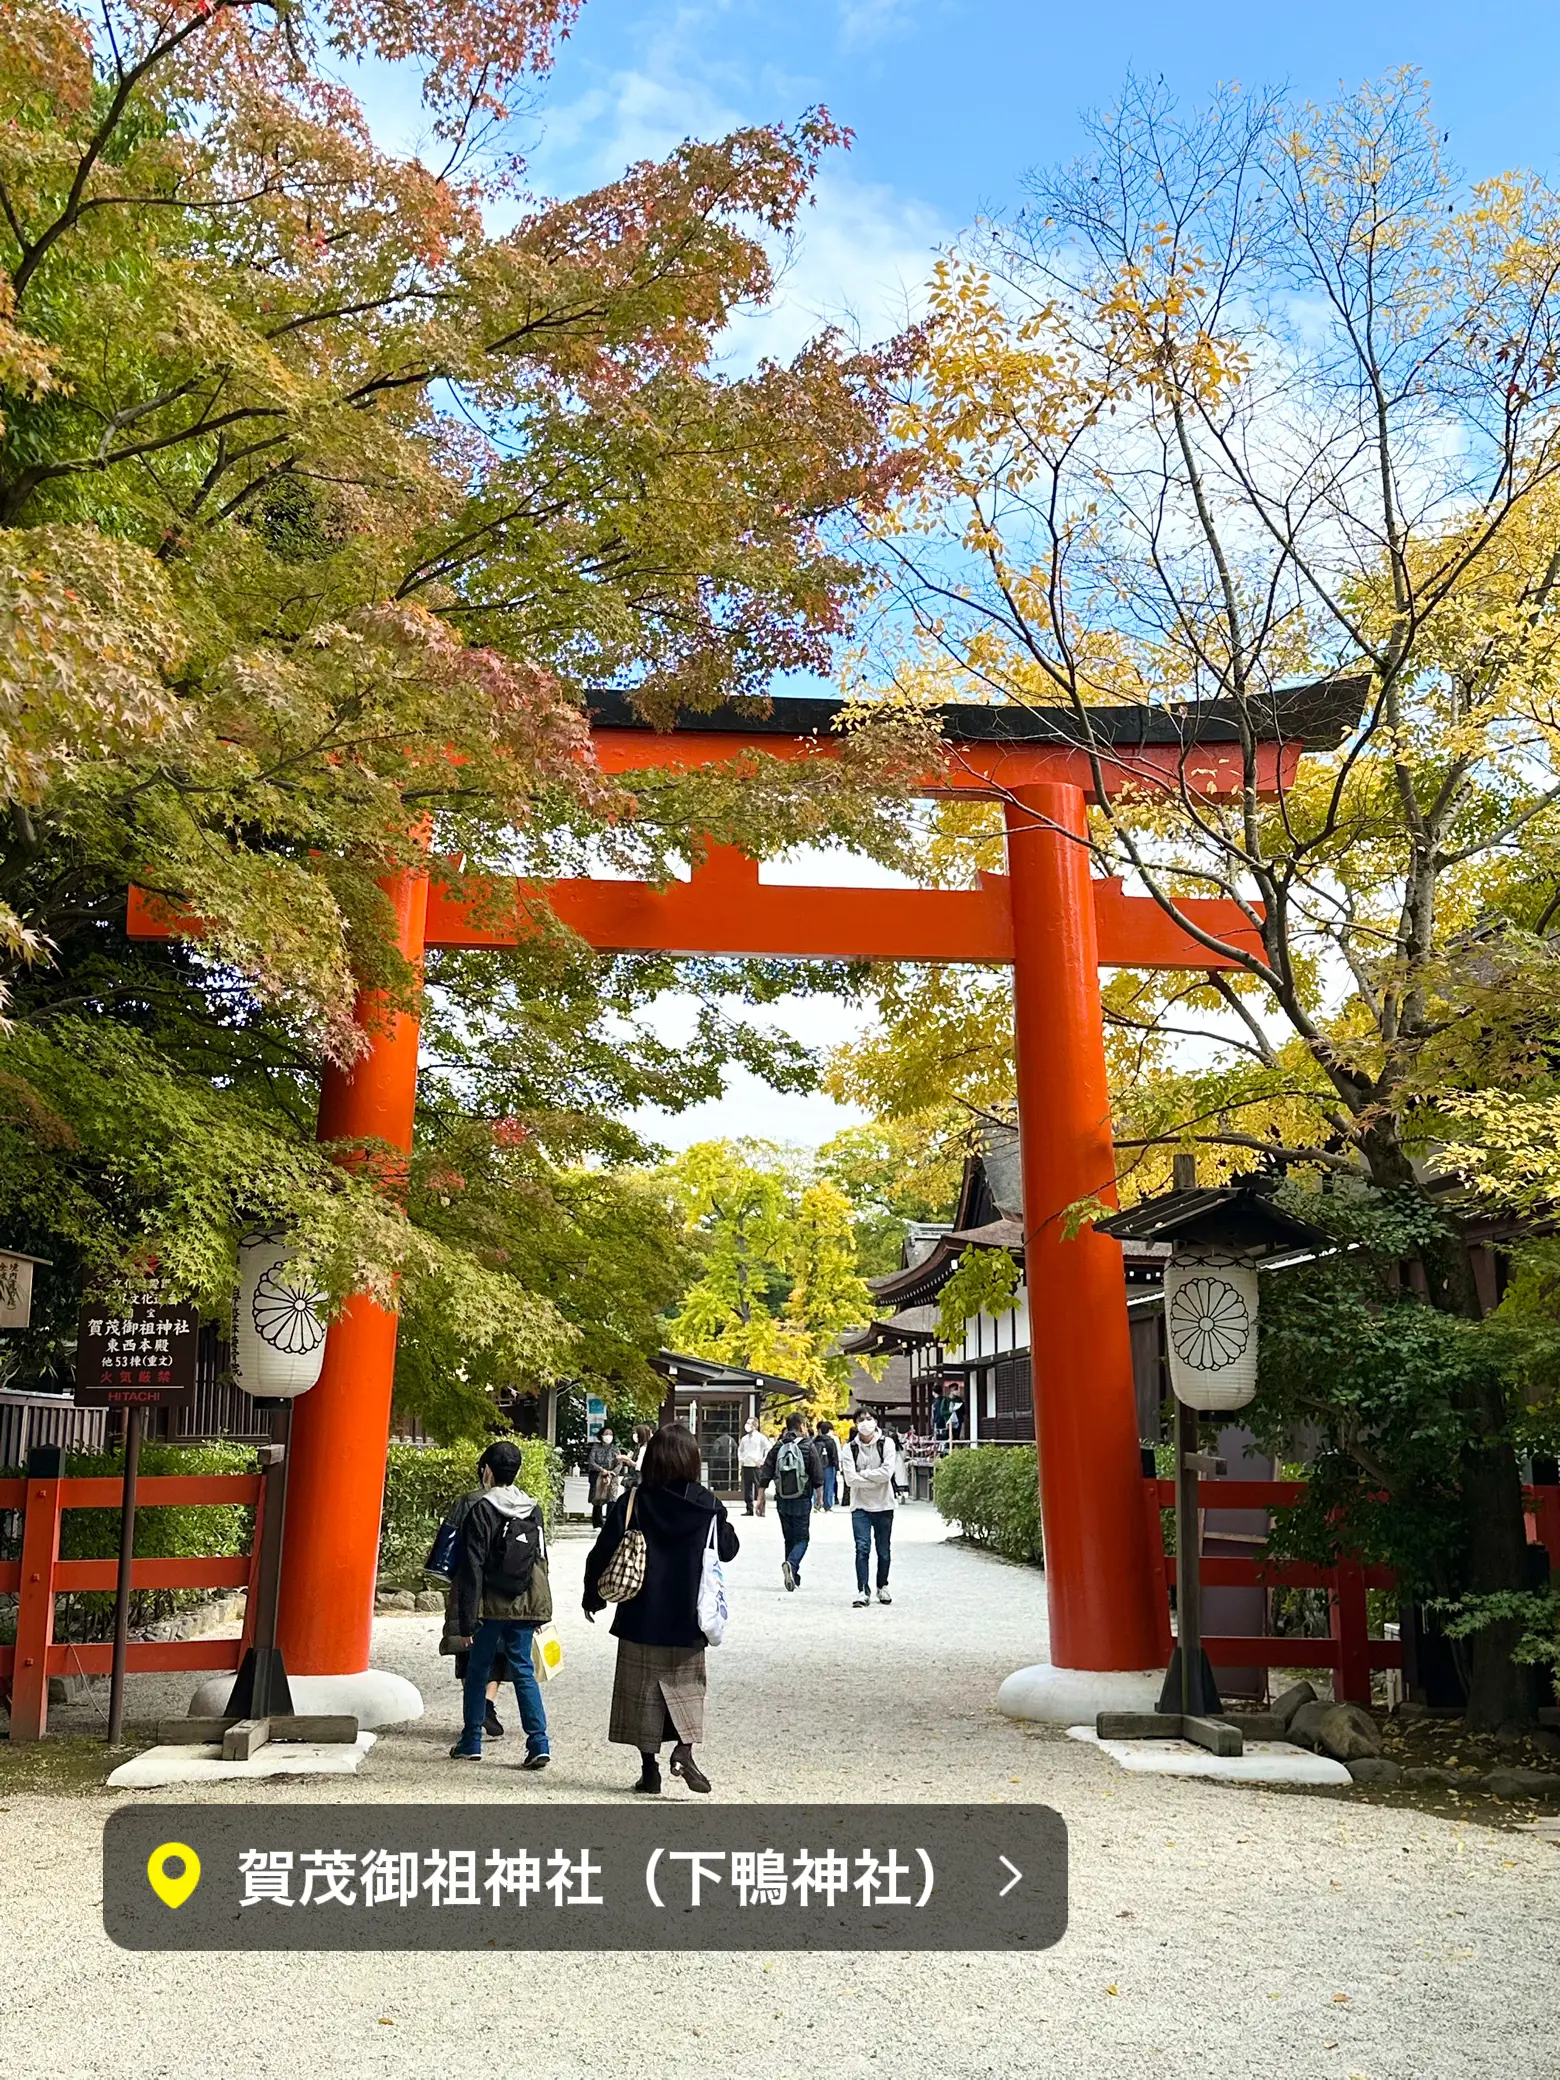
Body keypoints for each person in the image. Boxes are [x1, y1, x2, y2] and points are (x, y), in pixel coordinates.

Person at [583, 1421, 739, 1795]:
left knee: (643, 1695)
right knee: (688, 1689)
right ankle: (684, 1750)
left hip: (641, 1616)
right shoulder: (706, 1504)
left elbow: (603, 1551)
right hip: (689, 1618)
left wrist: (593, 1595)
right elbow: (729, 1550)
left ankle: (649, 1771)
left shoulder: (634, 1501)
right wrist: (717, 1518)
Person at [445, 1438, 552, 1765]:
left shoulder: (482, 1508)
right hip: (524, 1602)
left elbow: (472, 1567)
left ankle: (471, 1741)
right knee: (523, 1669)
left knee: (478, 1669)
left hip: (490, 1604)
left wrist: (467, 1621)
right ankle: (538, 1743)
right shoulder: (532, 1507)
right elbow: (541, 1560)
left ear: (487, 1471)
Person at [844, 1412, 902, 1608]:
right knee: (862, 1548)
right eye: (861, 1420)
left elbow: (887, 1473)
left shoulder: (886, 1444)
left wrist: (864, 1475)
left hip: (884, 1504)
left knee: (883, 1549)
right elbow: (850, 1479)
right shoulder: (849, 1448)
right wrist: (872, 1480)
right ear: (855, 1424)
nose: (865, 1423)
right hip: (860, 1505)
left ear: (876, 1422)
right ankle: (862, 1590)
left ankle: (882, 1586)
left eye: (869, 1419)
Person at [760, 1412, 823, 1591]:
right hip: (802, 1497)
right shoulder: (808, 1446)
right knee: (803, 1538)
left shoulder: (778, 1446)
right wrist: (819, 1497)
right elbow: (817, 1475)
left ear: (787, 1427)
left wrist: (760, 1497)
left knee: (789, 1537)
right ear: (802, 1426)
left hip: (782, 1499)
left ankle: (792, 1575)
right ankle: (792, 1565)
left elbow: (766, 1472)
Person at [586, 1427, 624, 1529]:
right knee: (597, 1499)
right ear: (601, 1435)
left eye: (610, 1434)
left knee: (612, 1499)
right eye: (606, 1433)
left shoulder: (615, 1448)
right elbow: (591, 1461)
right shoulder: (596, 1447)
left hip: (612, 1476)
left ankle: (609, 1522)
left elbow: (619, 1464)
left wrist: (613, 1472)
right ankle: (597, 1523)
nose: (608, 1436)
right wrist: (601, 1469)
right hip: (598, 1475)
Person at [737, 1415, 769, 1516]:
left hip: (756, 1466)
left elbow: (769, 1448)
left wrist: (763, 1460)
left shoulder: (760, 1437)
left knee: (760, 1488)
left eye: (749, 1423)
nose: (747, 1425)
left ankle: (761, 1509)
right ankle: (749, 1508)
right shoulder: (744, 1439)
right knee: (747, 1488)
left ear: (755, 1425)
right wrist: (741, 1460)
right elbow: (740, 1450)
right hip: (746, 1465)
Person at [815, 1419, 841, 1511]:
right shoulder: (831, 1441)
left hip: (818, 1466)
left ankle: (817, 1503)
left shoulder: (816, 1440)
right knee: (829, 1487)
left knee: (817, 1485)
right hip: (829, 1466)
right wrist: (837, 1467)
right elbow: (834, 1454)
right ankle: (827, 1505)